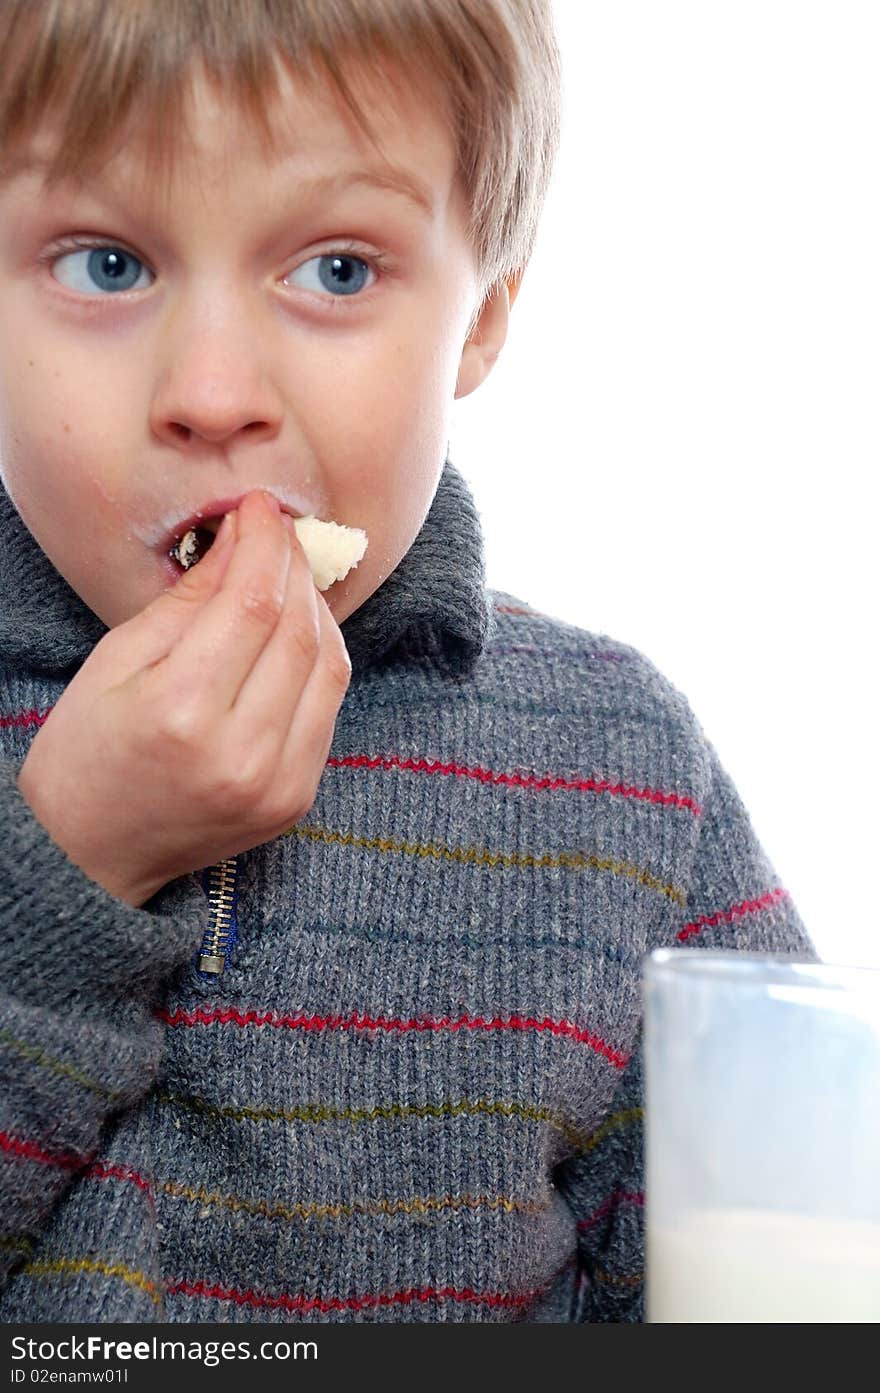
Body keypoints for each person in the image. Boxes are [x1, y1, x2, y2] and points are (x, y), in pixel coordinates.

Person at [0, 0, 813, 1324]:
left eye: (334, 270)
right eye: (105, 263)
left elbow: (789, 1279)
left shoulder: (621, 770)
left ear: (484, 316)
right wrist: (67, 871)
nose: (211, 390)